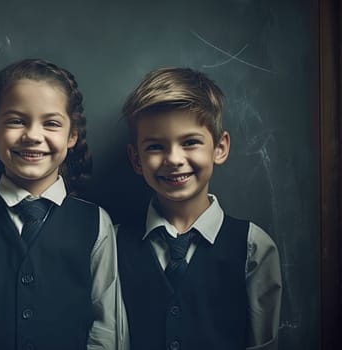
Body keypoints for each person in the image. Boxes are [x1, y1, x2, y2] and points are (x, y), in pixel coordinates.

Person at [0, 58, 119, 350]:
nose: (32, 136)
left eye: (51, 123)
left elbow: (107, 329)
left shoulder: (97, 223)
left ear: (72, 136)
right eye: (16, 121)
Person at [117, 67, 282, 350]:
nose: (174, 159)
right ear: (136, 159)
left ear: (220, 147)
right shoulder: (113, 242)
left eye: (190, 142)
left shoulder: (253, 247)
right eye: (156, 147)